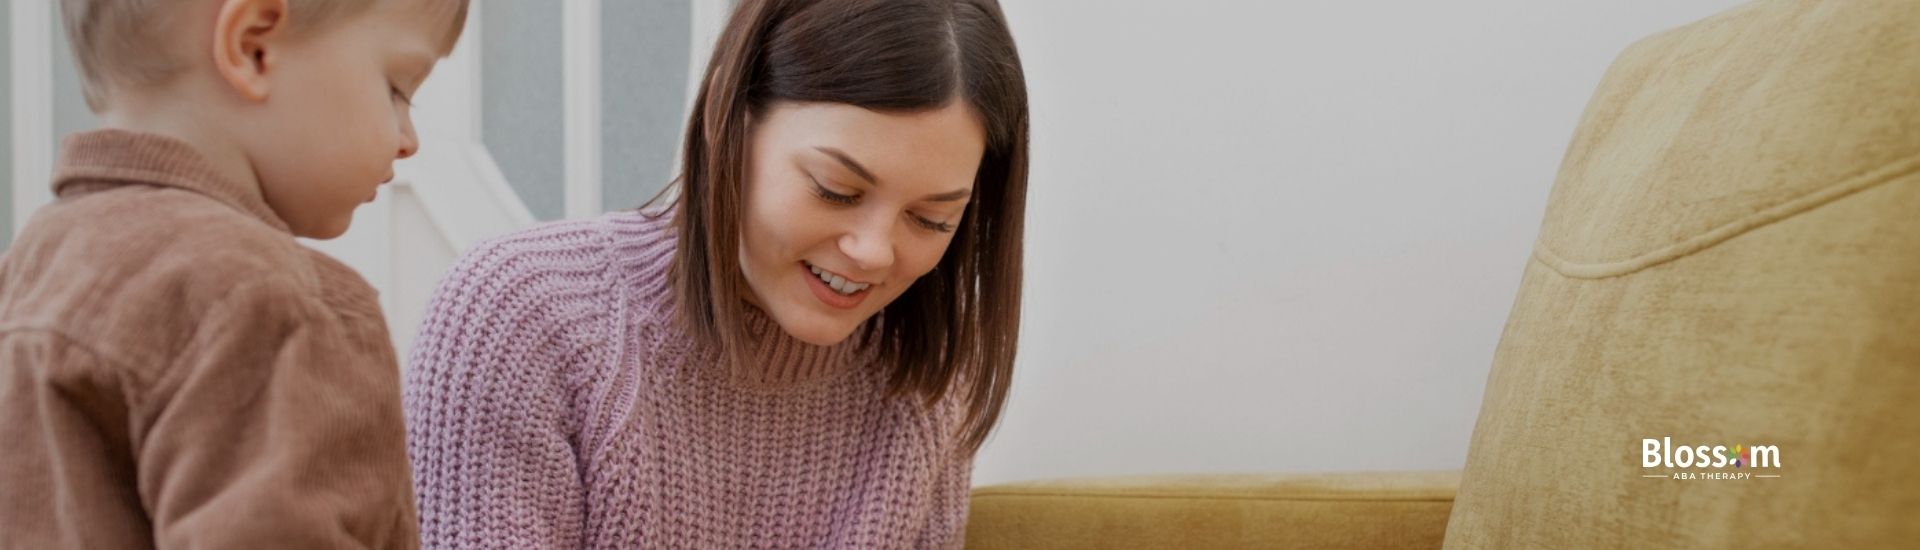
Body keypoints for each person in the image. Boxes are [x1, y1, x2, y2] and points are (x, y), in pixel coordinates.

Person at [403, 0, 1030, 546]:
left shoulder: (923, 382)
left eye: (930, 220)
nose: (873, 252)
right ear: (726, 116)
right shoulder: (519, 317)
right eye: (835, 190)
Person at [0, 0, 468, 546]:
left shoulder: (29, 270)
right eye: (397, 87)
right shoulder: (270, 303)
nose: (409, 138)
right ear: (254, 46)